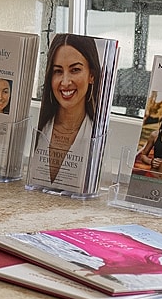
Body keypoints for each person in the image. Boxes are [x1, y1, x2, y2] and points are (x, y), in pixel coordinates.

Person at [32, 35, 107, 190]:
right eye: (58, 71)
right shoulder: (40, 129)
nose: (65, 82)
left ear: (91, 75)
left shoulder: (97, 136)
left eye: (75, 70)